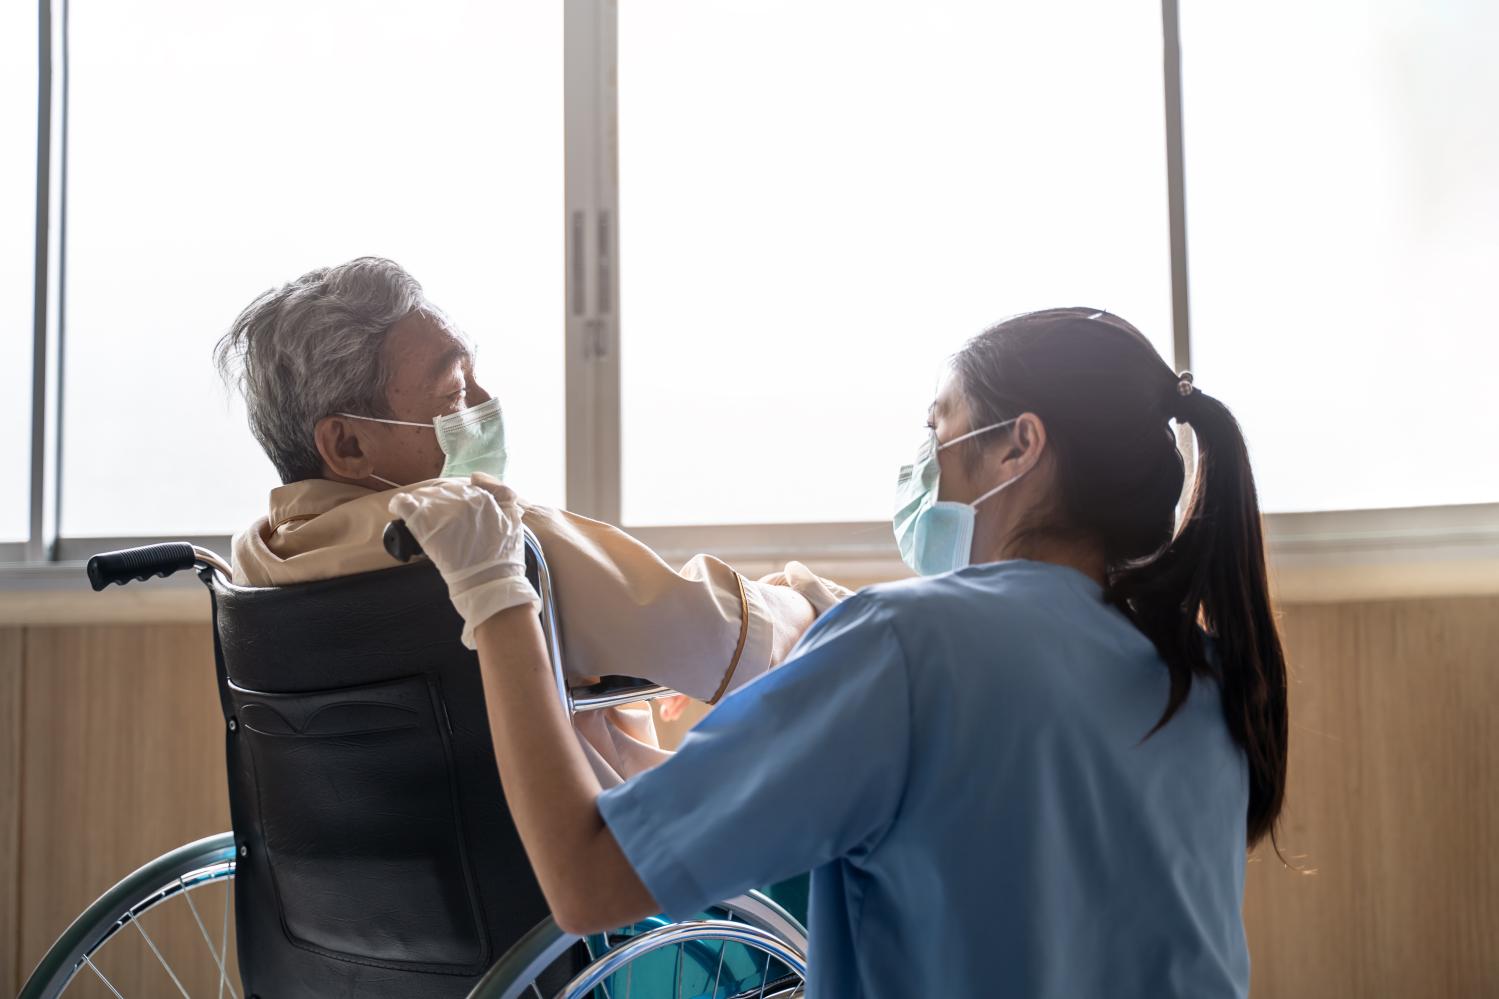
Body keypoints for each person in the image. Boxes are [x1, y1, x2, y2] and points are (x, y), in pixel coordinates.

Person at [396, 308, 1289, 998]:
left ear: (1020, 444)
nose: (924, 461)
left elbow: (587, 883)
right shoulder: (1202, 670)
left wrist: (496, 591)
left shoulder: (909, 643)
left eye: (939, 428)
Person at [215, 256, 836, 785]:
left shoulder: (256, 563)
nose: (486, 405)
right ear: (348, 446)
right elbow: (723, 642)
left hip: (364, 903)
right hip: (592, 893)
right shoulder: (489, 542)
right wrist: (803, 597)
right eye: (456, 392)